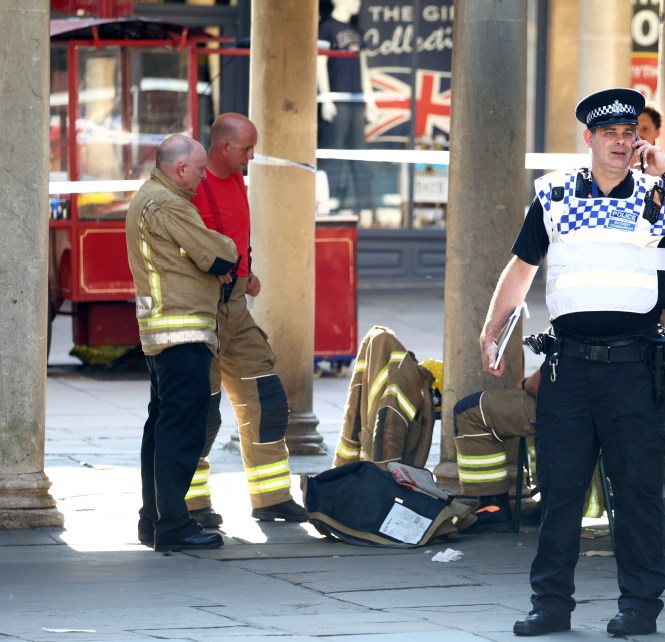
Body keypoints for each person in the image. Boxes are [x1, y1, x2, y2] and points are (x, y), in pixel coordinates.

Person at [480, 88, 665, 638]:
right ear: (589, 139)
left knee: (639, 491)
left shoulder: (659, 194)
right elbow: (522, 267)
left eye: (630, 133)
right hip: (567, 368)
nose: (621, 142)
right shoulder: (553, 194)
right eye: (610, 134)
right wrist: (494, 326)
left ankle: (639, 606)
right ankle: (551, 605)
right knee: (560, 490)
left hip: (634, 368)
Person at [185, 113, 308, 526]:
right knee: (202, 408)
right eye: (247, 149)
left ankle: (271, 497)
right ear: (224, 147)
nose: (252, 156)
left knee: (265, 396)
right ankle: (191, 504)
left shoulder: (237, 177)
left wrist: (245, 271)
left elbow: (235, 236)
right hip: (205, 307)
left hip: (236, 303)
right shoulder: (194, 186)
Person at [126, 135, 238, 552]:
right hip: (183, 333)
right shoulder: (170, 204)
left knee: (160, 428)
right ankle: (173, 526)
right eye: (201, 168)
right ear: (180, 169)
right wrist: (223, 252)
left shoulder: (147, 197)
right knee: (181, 433)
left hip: (163, 333)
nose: (204, 176)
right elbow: (218, 253)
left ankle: (153, 520)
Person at [453, 370, 611, 532]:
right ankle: (551, 498)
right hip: (621, 412)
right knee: (541, 415)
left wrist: (526, 383)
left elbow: (539, 385)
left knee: (470, 411)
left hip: (576, 407)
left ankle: (493, 505)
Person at [333, 325, 437, 469]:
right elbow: (389, 436)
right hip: (380, 476)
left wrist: (339, 470)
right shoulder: (410, 384)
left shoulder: (398, 368)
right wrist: (386, 481)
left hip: (361, 472)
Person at [317, 0, 377, 220]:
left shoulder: (355, 31)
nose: (358, 3)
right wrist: (325, 98)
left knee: (359, 155)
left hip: (355, 100)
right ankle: (327, 206)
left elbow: (363, 67)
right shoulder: (326, 28)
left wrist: (370, 100)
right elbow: (319, 63)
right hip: (337, 100)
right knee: (332, 154)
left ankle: (367, 207)